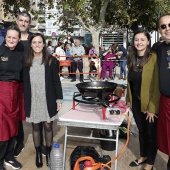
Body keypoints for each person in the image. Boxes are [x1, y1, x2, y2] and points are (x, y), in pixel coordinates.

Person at [23, 33, 63, 168]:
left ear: (44, 44)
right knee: (35, 126)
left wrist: (59, 98)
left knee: (48, 125)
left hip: (48, 98)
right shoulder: (26, 61)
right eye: (34, 42)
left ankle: (49, 152)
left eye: (40, 42)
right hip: (33, 98)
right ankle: (39, 152)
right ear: (30, 44)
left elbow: (56, 81)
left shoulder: (51, 60)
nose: (37, 45)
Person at [126, 28, 160, 170]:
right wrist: (129, 99)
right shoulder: (131, 57)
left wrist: (152, 109)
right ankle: (143, 156)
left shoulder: (153, 57)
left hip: (150, 104)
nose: (139, 42)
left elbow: (157, 84)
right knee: (141, 131)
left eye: (142, 39)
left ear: (148, 42)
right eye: (136, 39)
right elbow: (130, 82)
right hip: (136, 102)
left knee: (152, 134)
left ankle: (150, 163)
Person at [15, 11, 46, 157]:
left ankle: (42, 146)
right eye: (21, 20)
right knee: (16, 115)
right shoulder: (11, 37)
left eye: (26, 21)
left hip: (32, 83)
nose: (23, 23)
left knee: (38, 114)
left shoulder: (33, 39)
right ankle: (19, 141)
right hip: (15, 81)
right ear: (17, 21)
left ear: (29, 23)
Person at [0, 25, 23, 170]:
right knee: (2, 127)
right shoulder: (0, 51)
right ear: (5, 37)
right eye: (9, 37)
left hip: (16, 93)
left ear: (19, 39)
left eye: (14, 37)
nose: (11, 40)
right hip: (1, 92)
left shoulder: (21, 53)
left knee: (14, 126)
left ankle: (9, 156)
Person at [154, 14, 170, 170]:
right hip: (166, 102)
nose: (167, 29)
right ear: (159, 30)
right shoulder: (158, 48)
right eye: (163, 26)